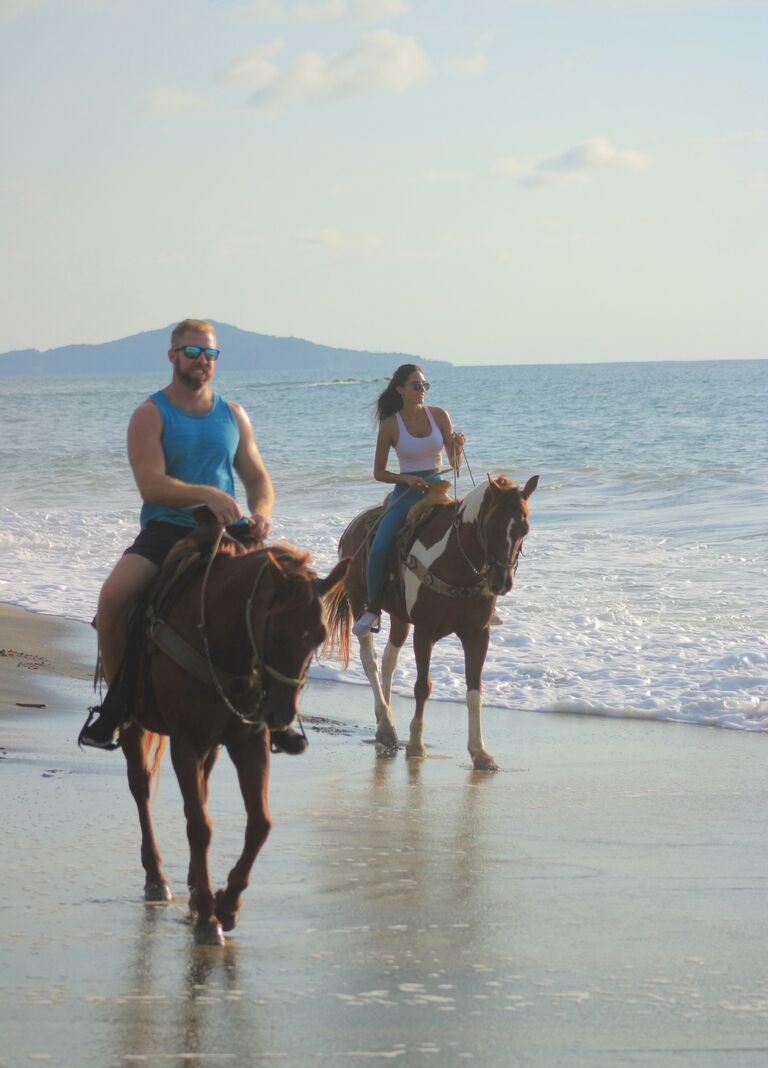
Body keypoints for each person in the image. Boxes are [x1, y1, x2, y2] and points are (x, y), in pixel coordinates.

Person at [79, 318, 294, 749]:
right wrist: (206, 495)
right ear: (173, 355)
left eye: (209, 354)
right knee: (112, 600)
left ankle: (278, 710)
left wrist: (262, 512)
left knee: (293, 597)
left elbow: (258, 479)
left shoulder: (233, 414)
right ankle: (119, 704)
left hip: (231, 533)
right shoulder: (150, 414)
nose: (202, 361)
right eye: (193, 352)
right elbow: (150, 483)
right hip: (167, 532)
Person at [352, 364, 465, 638]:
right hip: (408, 491)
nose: (421, 391)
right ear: (400, 389)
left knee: (471, 528)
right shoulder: (391, 425)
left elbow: (454, 463)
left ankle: (481, 600)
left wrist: (457, 447)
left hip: (438, 487)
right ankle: (373, 608)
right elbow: (378, 472)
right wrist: (407, 480)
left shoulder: (439, 415)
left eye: (425, 385)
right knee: (379, 547)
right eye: (416, 385)